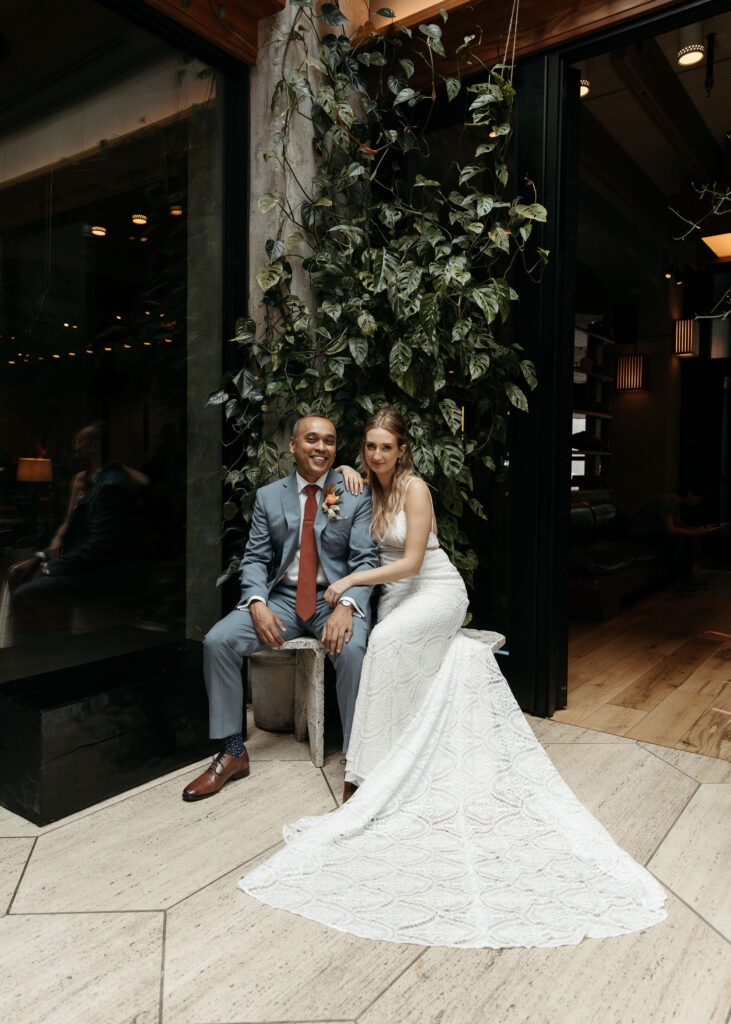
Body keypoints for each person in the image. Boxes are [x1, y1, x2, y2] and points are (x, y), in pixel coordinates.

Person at [239, 408, 667, 949]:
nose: (375, 456)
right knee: (376, 650)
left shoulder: (415, 490)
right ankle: (382, 766)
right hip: (392, 596)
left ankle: (361, 778)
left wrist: (349, 579)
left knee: (388, 643)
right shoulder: (355, 484)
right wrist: (345, 474)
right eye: (368, 447)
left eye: (385, 448)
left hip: (434, 591)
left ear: (403, 450)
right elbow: (341, 505)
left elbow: (413, 563)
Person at [182, 414, 379, 801]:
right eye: (311, 439)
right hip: (282, 601)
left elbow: (366, 560)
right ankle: (233, 752)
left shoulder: (355, 493)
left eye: (330, 441)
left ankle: (358, 764)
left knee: (354, 651)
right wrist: (256, 602)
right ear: (292, 445)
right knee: (219, 641)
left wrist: (348, 605)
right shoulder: (269, 496)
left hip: (334, 600)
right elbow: (254, 559)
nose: (321, 447)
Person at [8, 422, 148, 637]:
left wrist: (48, 569)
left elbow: (99, 547)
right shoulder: (89, 480)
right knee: (17, 573)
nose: (74, 447)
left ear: (94, 447)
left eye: (79, 442)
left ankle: (44, 654)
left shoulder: (111, 484)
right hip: (82, 559)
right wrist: (40, 557)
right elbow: (73, 526)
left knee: (25, 594)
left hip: (102, 571)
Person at [627, 483, 717, 594]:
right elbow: (672, 529)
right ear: (689, 494)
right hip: (640, 534)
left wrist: (699, 529)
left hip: (656, 532)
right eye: (698, 498)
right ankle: (675, 582)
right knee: (676, 540)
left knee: (685, 537)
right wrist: (697, 532)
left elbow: (679, 525)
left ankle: (686, 576)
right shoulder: (667, 502)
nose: (699, 501)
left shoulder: (676, 503)